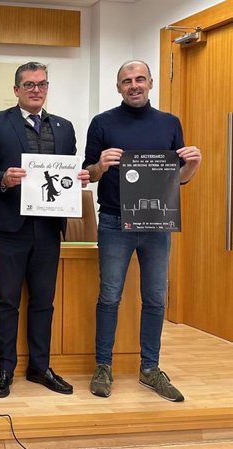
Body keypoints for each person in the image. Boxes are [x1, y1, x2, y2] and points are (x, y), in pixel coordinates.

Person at [83, 60, 201, 402]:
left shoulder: (169, 123)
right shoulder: (102, 123)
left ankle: (150, 368)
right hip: (114, 221)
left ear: (150, 83)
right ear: (118, 87)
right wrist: (100, 165)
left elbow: (177, 179)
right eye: (126, 81)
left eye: (139, 79)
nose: (133, 85)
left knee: (155, 298)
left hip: (157, 223)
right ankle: (103, 366)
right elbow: (87, 175)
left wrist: (194, 165)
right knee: (109, 297)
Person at [0, 61, 89, 399]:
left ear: (47, 88)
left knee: (43, 302)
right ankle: (5, 368)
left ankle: (40, 367)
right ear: (16, 90)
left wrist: (78, 178)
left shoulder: (65, 128)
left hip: (49, 229)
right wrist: (3, 180)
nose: (36, 89)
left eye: (42, 84)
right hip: (9, 227)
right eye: (29, 85)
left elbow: (68, 171)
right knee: (7, 301)